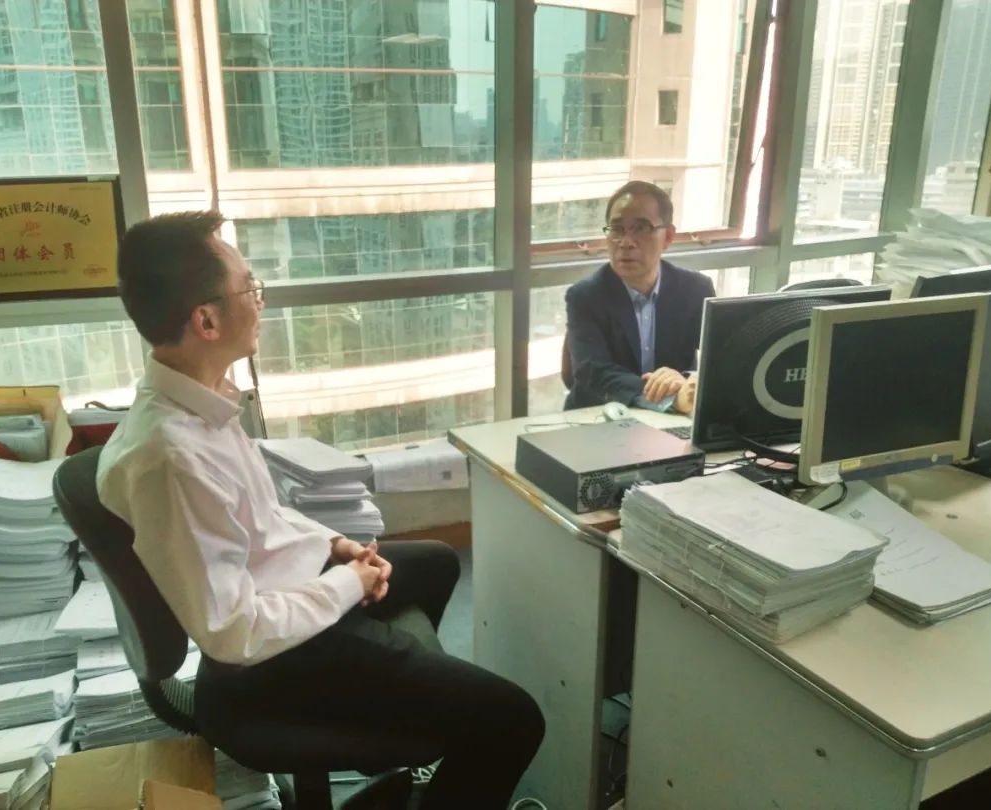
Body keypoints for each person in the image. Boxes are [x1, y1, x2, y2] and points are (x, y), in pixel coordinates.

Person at [96, 211, 544, 809]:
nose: (260, 302)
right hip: (269, 661)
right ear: (206, 320)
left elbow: (262, 515)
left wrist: (334, 545)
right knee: (515, 718)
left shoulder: (199, 401)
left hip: (285, 592)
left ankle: (407, 726)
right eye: (249, 289)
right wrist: (346, 584)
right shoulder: (171, 457)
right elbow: (234, 632)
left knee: (437, 562)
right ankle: (408, 721)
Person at [564, 180, 714, 413]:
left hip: (672, 418)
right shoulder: (585, 296)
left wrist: (687, 381)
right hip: (602, 416)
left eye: (641, 228)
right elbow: (594, 371)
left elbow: (718, 361)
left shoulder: (695, 289)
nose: (625, 243)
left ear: (668, 237)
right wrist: (670, 397)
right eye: (617, 229)